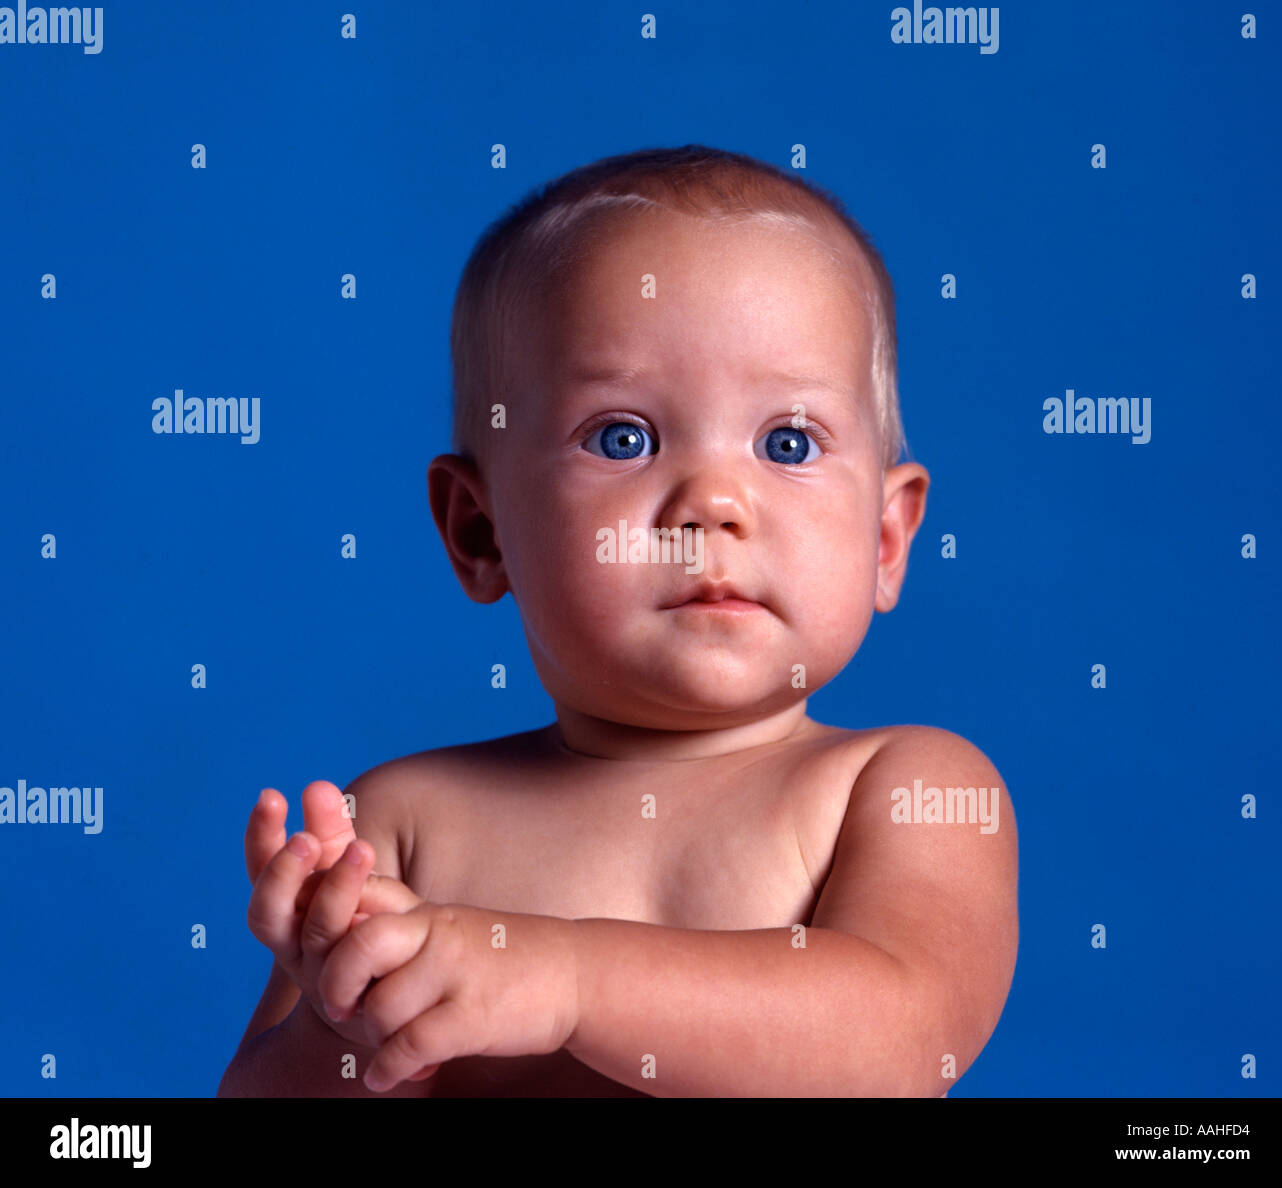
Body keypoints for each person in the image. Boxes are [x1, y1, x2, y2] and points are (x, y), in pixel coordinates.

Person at [218, 144, 1017, 1098]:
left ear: (885, 538)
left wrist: (564, 978)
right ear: (481, 531)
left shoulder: (900, 789)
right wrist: (344, 1017)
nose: (714, 504)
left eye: (788, 442)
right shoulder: (398, 826)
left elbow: (901, 1038)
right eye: (621, 437)